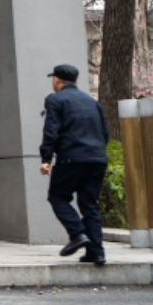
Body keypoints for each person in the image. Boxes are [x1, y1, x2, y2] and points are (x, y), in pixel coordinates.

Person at [40, 64, 109, 266]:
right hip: (97, 159)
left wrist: (46, 159)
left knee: (57, 196)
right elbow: (104, 132)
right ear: (76, 81)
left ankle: (77, 233)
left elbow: (51, 130)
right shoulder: (92, 101)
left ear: (56, 80)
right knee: (89, 205)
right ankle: (96, 252)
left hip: (71, 158)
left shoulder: (55, 99)